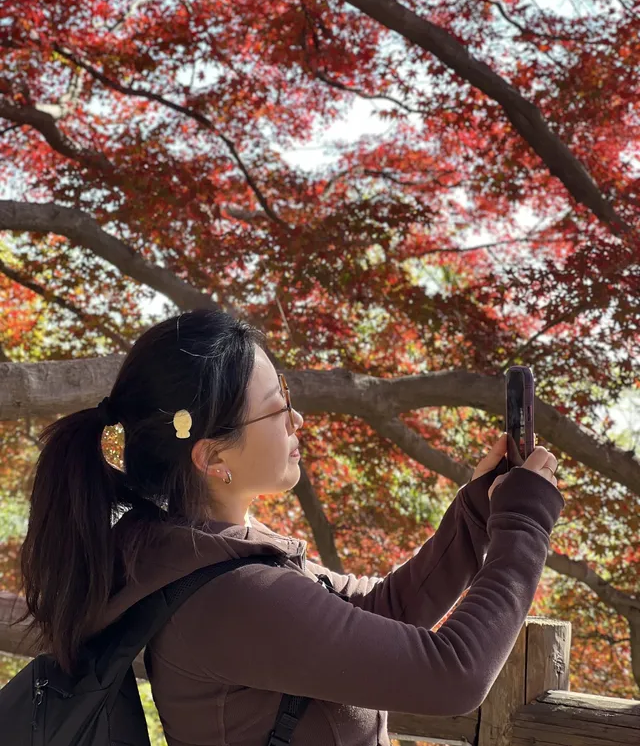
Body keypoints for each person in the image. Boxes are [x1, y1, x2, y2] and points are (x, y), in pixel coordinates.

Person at [13, 309, 564, 746]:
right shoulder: (231, 596)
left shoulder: (186, 550)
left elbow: (377, 612)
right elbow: (454, 676)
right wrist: (523, 523)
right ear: (212, 458)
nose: (297, 420)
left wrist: (475, 513)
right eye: (277, 409)